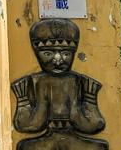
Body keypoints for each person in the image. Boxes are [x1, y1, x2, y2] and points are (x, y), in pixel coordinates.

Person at [12, 18, 108, 149]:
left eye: (66, 53)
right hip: (46, 140)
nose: (58, 60)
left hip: (73, 139)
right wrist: (23, 101)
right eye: (48, 53)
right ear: (36, 53)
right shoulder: (34, 82)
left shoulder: (79, 81)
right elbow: (29, 124)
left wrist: (90, 99)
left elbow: (95, 125)